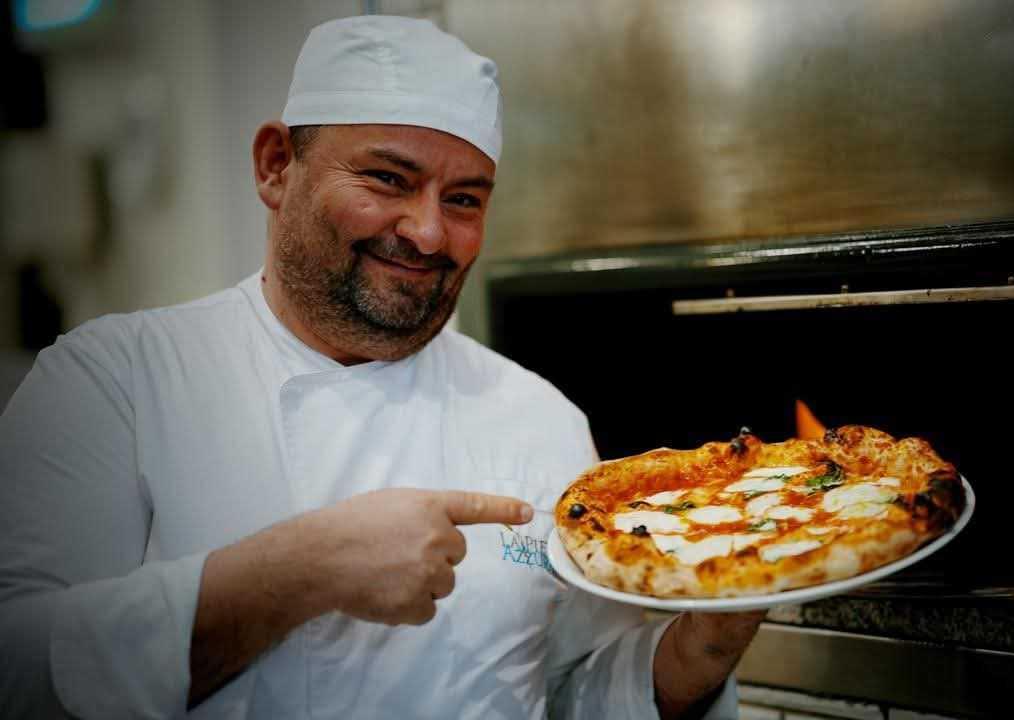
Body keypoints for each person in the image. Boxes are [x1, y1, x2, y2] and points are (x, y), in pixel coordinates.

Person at [0, 16, 762, 719]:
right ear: (275, 166)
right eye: (388, 180)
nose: (429, 232)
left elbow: (573, 690)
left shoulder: (540, 419)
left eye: (463, 199)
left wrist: (699, 653)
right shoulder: (113, 383)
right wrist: (305, 568)